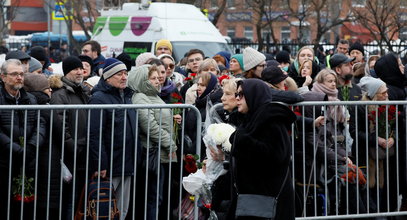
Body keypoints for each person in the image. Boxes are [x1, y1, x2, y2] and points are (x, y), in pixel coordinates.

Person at [228, 78, 296, 220]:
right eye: (236, 94)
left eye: (241, 94)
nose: (237, 98)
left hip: (268, 199)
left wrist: (241, 139)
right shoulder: (250, 119)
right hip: (252, 198)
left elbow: (276, 156)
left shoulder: (272, 121)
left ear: (254, 95)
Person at [88, 58, 139, 219]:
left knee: (121, 211)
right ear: (108, 77)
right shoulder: (99, 98)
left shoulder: (127, 96)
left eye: (125, 73)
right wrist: (100, 164)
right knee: (105, 211)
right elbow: (95, 134)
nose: (124, 77)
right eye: (119, 74)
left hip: (127, 163)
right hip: (110, 165)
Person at [127, 64, 177, 220]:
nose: (158, 81)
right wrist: (170, 143)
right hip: (152, 154)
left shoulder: (154, 96)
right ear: (143, 80)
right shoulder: (140, 97)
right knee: (153, 198)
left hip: (160, 154)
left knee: (158, 197)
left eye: (158, 78)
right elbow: (150, 126)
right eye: (153, 78)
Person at [0, 59, 46, 220]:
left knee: (26, 209)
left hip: (28, 161)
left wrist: (32, 146)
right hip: (5, 162)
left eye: (21, 74)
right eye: (14, 74)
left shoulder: (30, 99)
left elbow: (40, 123)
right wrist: (16, 149)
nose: (19, 77)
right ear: (3, 77)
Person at [50, 56, 90, 219]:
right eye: (75, 69)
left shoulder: (84, 91)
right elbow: (61, 126)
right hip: (71, 156)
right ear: (67, 72)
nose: (80, 72)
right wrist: (75, 148)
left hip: (83, 154)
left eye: (81, 68)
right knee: (71, 200)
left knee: (81, 200)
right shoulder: (60, 95)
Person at [374, 52, 407, 211]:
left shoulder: (399, 86)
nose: (402, 67)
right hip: (395, 146)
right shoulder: (391, 91)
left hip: (399, 143)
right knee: (393, 182)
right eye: (399, 64)